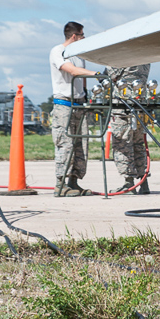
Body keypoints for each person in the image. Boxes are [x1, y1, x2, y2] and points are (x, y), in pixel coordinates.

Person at [49, 21, 98, 197]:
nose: (84, 38)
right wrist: (96, 74)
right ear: (74, 36)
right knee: (66, 144)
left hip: (79, 104)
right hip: (64, 105)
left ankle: (74, 182)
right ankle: (60, 185)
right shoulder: (58, 51)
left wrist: (86, 96)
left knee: (80, 145)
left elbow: (80, 77)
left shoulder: (79, 55)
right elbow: (72, 71)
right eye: (82, 35)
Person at [105, 64, 152, 194]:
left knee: (122, 144)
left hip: (122, 105)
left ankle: (129, 182)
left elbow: (111, 74)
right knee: (138, 144)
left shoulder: (123, 54)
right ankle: (144, 182)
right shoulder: (145, 56)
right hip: (140, 103)